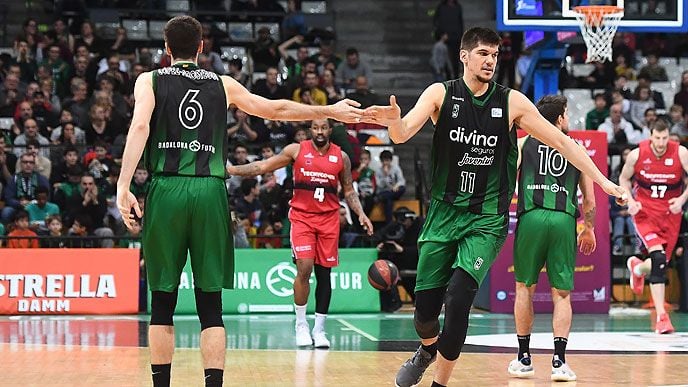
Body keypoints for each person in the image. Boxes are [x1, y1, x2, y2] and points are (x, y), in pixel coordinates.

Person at [362, 27, 626, 387]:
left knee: (457, 301)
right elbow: (403, 133)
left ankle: (441, 383)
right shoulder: (441, 94)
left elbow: (564, 143)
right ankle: (426, 350)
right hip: (443, 214)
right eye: (483, 53)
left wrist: (604, 181)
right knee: (425, 313)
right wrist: (394, 121)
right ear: (464, 56)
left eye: (495, 55)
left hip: (486, 219)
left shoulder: (512, 102)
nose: (490, 61)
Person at [115, 16, 365, 387]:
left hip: (166, 191)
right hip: (210, 192)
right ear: (202, 48)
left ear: (166, 49)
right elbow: (276, 109)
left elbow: (139, 127)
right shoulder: (224, 84)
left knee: (163, 303)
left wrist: (123, 185)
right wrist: (328, 110)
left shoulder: (148, 80)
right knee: (210, 306)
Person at [227, 118, 374, 349]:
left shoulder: (341, 157)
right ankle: (301, 324)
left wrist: (361, 214)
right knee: (304, 267)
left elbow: (348, 191)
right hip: (302, 218)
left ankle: (320, 328)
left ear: (330, 129)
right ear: (310, 130)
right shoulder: (296, 150)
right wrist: (232, 169)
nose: (319, 132)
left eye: (323, 127)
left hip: (328, 220)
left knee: (324, 275)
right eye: (315, 127)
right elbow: (263, 166)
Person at [507, 95, 597, 382]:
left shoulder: (523, 143)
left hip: (531, 217)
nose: (568, 119)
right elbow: (590, 201)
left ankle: (524, 359)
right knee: (561, 294)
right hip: (563, 221)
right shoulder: (575, 148)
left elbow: (507, 182)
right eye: (567, 114)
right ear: (559, 119)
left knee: (524, 288)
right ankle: (559, 362)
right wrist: (590, 228)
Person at [622, 119, 688, 334]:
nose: (661, 143)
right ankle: (662, 317)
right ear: (650, 136)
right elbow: (623, 179)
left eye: (664, 138)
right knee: (659, 260)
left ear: (669, 137)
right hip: (645, 214)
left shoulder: (681, 153)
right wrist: (630, 202)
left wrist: (682, 200)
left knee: (662, 262)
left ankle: (638, 268)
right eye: (657, 138)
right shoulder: (636, 154)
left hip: (671, 215)